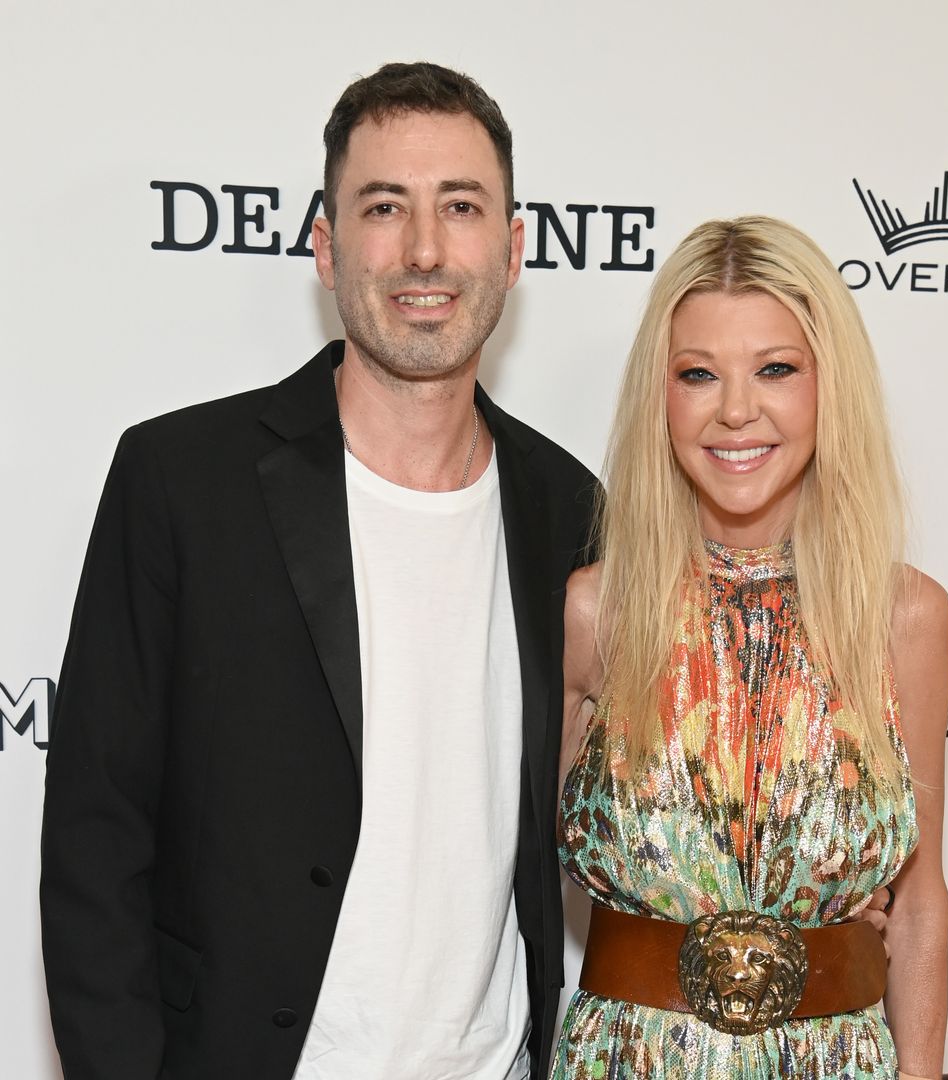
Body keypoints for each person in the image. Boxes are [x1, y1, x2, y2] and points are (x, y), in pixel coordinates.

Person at [39, 62, 597, 1080]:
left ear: (514, 250)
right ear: (326, 244)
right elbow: (94, 838)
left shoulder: (570, 511)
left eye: (461, 207)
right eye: (384, 207)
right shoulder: (181, 481)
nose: (425, 250)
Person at [554, 217, 948, 1079]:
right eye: (699, 374)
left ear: (829, 386)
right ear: (660, 398)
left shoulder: (905, 617)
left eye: (777, 369)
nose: (737, 410)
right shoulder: (598, 611)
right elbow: (516, 863)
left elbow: (919, 902)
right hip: (629, 1060)